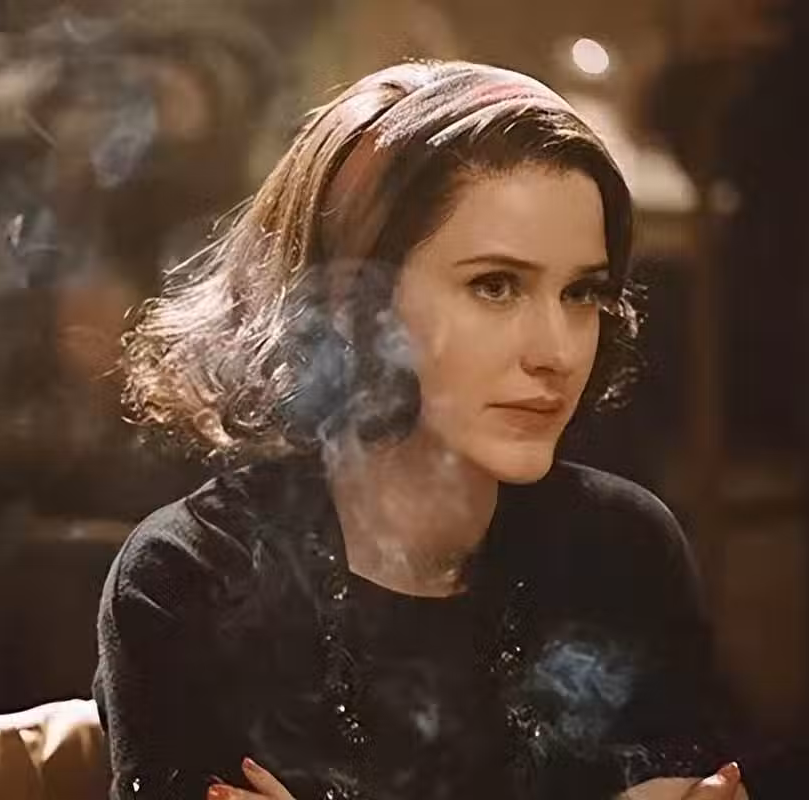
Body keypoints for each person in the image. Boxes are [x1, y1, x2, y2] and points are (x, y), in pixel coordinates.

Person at [93, 60, 748, 800]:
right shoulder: (193, 578)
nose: (558, 351)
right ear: (351, 302)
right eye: (495, 286)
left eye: (582, 292)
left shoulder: (622, 551)